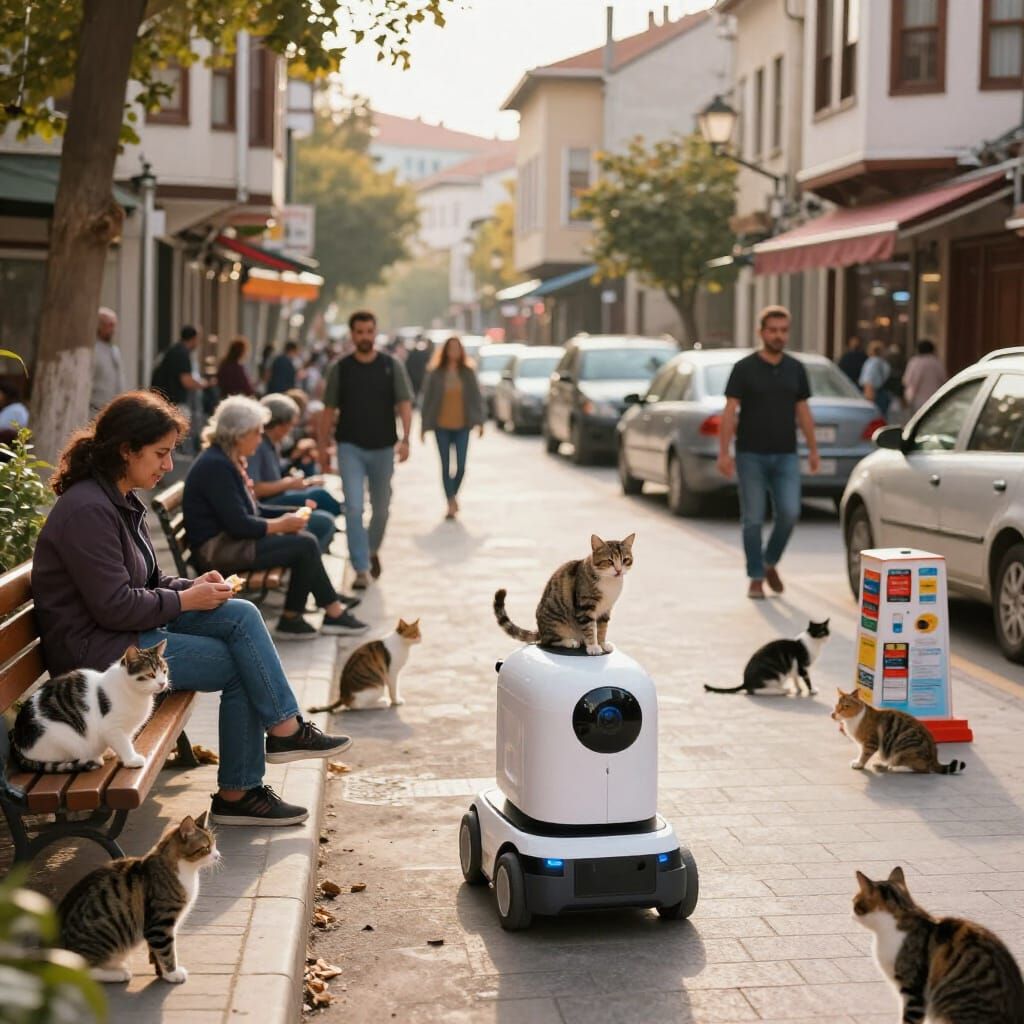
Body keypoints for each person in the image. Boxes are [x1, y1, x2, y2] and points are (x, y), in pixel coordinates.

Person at [31, 390, 354, 827]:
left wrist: (192, 585)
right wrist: (184, 600)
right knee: (240, 664)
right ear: (126, 450)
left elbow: (144, 583)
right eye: (160, 454)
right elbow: (114, 606)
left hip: (120, 636)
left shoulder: (118, 497)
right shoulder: (89, 510)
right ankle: (243, 787)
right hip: (100, 655)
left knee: (240, 614)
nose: (167, 465)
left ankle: (282, 735)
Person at [183, 396, 368, 640]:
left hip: (229, 542)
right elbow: (240, 525)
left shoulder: (225, 459)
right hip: (219, 550)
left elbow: (253, 510)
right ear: (239, 434)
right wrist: (281, 524)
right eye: (257, 433)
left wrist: (287, 515)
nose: (260, 439)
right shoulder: (217, 466)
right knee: (304, 544)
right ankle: (310, 616)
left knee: (304, 540)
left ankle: (310, 614)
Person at [717, 305, 820, 600]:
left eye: (783, 331)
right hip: (751, 454)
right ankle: (756, 576)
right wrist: (724, 453)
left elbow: (803, 411)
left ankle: (769, 561)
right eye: (772, 330)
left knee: (789, 512)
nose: (778, 336)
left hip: (786, 454)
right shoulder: (744, 368)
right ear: (761, 332)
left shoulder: (795, 369)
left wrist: (813, 450)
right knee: (753, 518)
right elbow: (729, 412)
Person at [323, 310, 413, 590]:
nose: (364, 337)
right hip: (349, 446)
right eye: (359, 332)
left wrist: (407, 439)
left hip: (384, 447)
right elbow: (328, 409)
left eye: (369, 332)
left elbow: (405, 403)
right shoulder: (341, 368)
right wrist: (321, 446)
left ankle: (370, 549)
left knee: (382, 508)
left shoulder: (391, 365)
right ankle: (361, 567)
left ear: (375, 333)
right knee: (353, 507)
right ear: (352, 335)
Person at [248, 393, 343, 552]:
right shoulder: (258, 446)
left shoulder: (271, 444)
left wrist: (297, 460)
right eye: (290, 425)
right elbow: (256, 489)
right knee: (319, 502)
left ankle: (334, 525)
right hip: (266, 503)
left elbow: (277, 473)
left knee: (320, 501)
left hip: (273, 500)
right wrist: (289, 483)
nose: (291, 429)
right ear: (279, 426)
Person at [419, 336, 485, 519]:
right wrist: (423, 426)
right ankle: (450, 501)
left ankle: (453, 495)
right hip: (441, 426)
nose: (453, 352)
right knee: (446, 466)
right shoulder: (436, 373)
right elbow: (427, 400)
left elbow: (476, 398)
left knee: (461, 466)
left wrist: (480, 422)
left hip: (463, 425)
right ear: (445, 351)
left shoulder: (467, 372)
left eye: (457, 348)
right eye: (451, 348)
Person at [89, 308, 124, 416]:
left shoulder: (115, 350)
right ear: (99, 325)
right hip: (94, 411)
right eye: (110, 325)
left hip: (113, 411)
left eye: (114, 325)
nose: (113, 329)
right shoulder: (92, 350)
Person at [902, 339, 947, 414]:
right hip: (935, 399)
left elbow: (908, 381)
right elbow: (944, 380)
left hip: (917, 400)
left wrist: (908, 398)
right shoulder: (937, 362)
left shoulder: (914, 362)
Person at [859, 340, 892, 416]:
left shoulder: (871, 363)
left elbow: (868, 382)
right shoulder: (884, 363)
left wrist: (869, 400)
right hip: (882, 394)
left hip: (874, 395)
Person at [404, 335, 432, 403]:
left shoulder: (412, 352)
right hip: (420, 377)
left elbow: (407, 365)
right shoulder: (426, 352)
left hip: (414, 377)